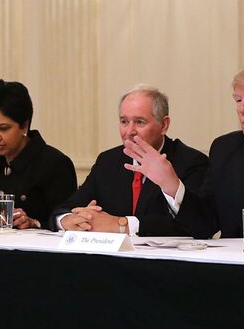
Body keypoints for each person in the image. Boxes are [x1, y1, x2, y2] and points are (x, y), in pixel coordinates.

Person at [55, 85, 208, 236]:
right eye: (124, 122)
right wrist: (68, 219)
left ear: (164, 124)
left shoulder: (191, 162)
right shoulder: (108, 161)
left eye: (140, 122)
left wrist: (121, 224)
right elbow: (67, 207)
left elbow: (197, 226)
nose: (129, 132)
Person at [177, 64, 244, 239]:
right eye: (237, 100)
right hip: (237, 264)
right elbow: (204, 225)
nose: (242, 109)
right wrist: (171, 185)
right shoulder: (225, 149)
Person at [0, 80, 77, 229]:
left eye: (3, 128)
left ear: (24, 126)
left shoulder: (55, 164)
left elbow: (66, 221)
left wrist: (34, 223)